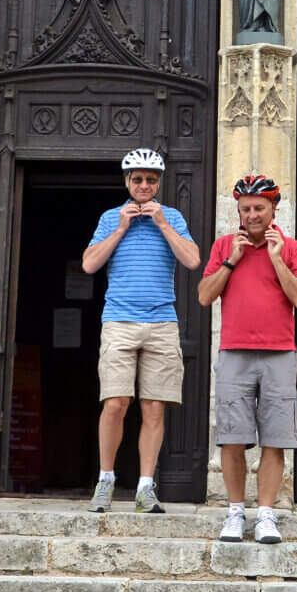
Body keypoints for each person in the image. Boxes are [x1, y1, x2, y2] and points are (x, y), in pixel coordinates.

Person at [81, 146, 199, 512]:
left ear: (158, 183)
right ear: (127, 182)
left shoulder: (173, 218)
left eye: (150, 180)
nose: (144, 185)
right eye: (138, 179)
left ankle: (146, 487)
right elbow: (89, 265)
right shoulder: (109, 217)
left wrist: (163, 224)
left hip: (162, 321)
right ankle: (106, 480)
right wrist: (120, 229)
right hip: (119, 320)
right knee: (115, 402)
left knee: (154, 408)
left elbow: (193, 260)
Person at [196, 172, 297, 544]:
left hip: (279, 353)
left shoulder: (291, 248)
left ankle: (265, 516)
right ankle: (234, 512)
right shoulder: (224, 245)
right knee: (232, 438)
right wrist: (231, 260)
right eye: (245, 209)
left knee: (275, 439)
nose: (252, 215)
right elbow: (204, 295)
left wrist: (276, 259)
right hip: (234, 352)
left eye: (259, 208)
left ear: (273, 209)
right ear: (238, 211)